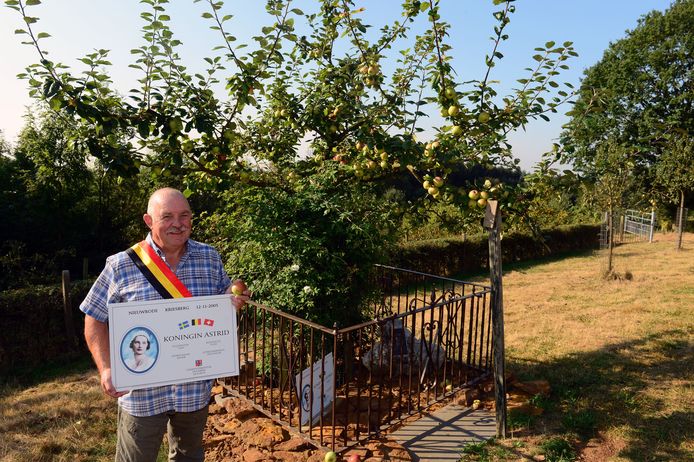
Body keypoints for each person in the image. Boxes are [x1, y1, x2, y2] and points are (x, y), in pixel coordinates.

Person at [80, 187, 249, 462]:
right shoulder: (121, 265)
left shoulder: (209, 257)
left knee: (189, 457)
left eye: (184, 216)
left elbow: (224, 298)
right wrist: (106, 368)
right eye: (167, 216)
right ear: (149, 221)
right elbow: (94, 317)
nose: (178, 224)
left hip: (193, 392)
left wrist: (236, 293)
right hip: (141, 393)